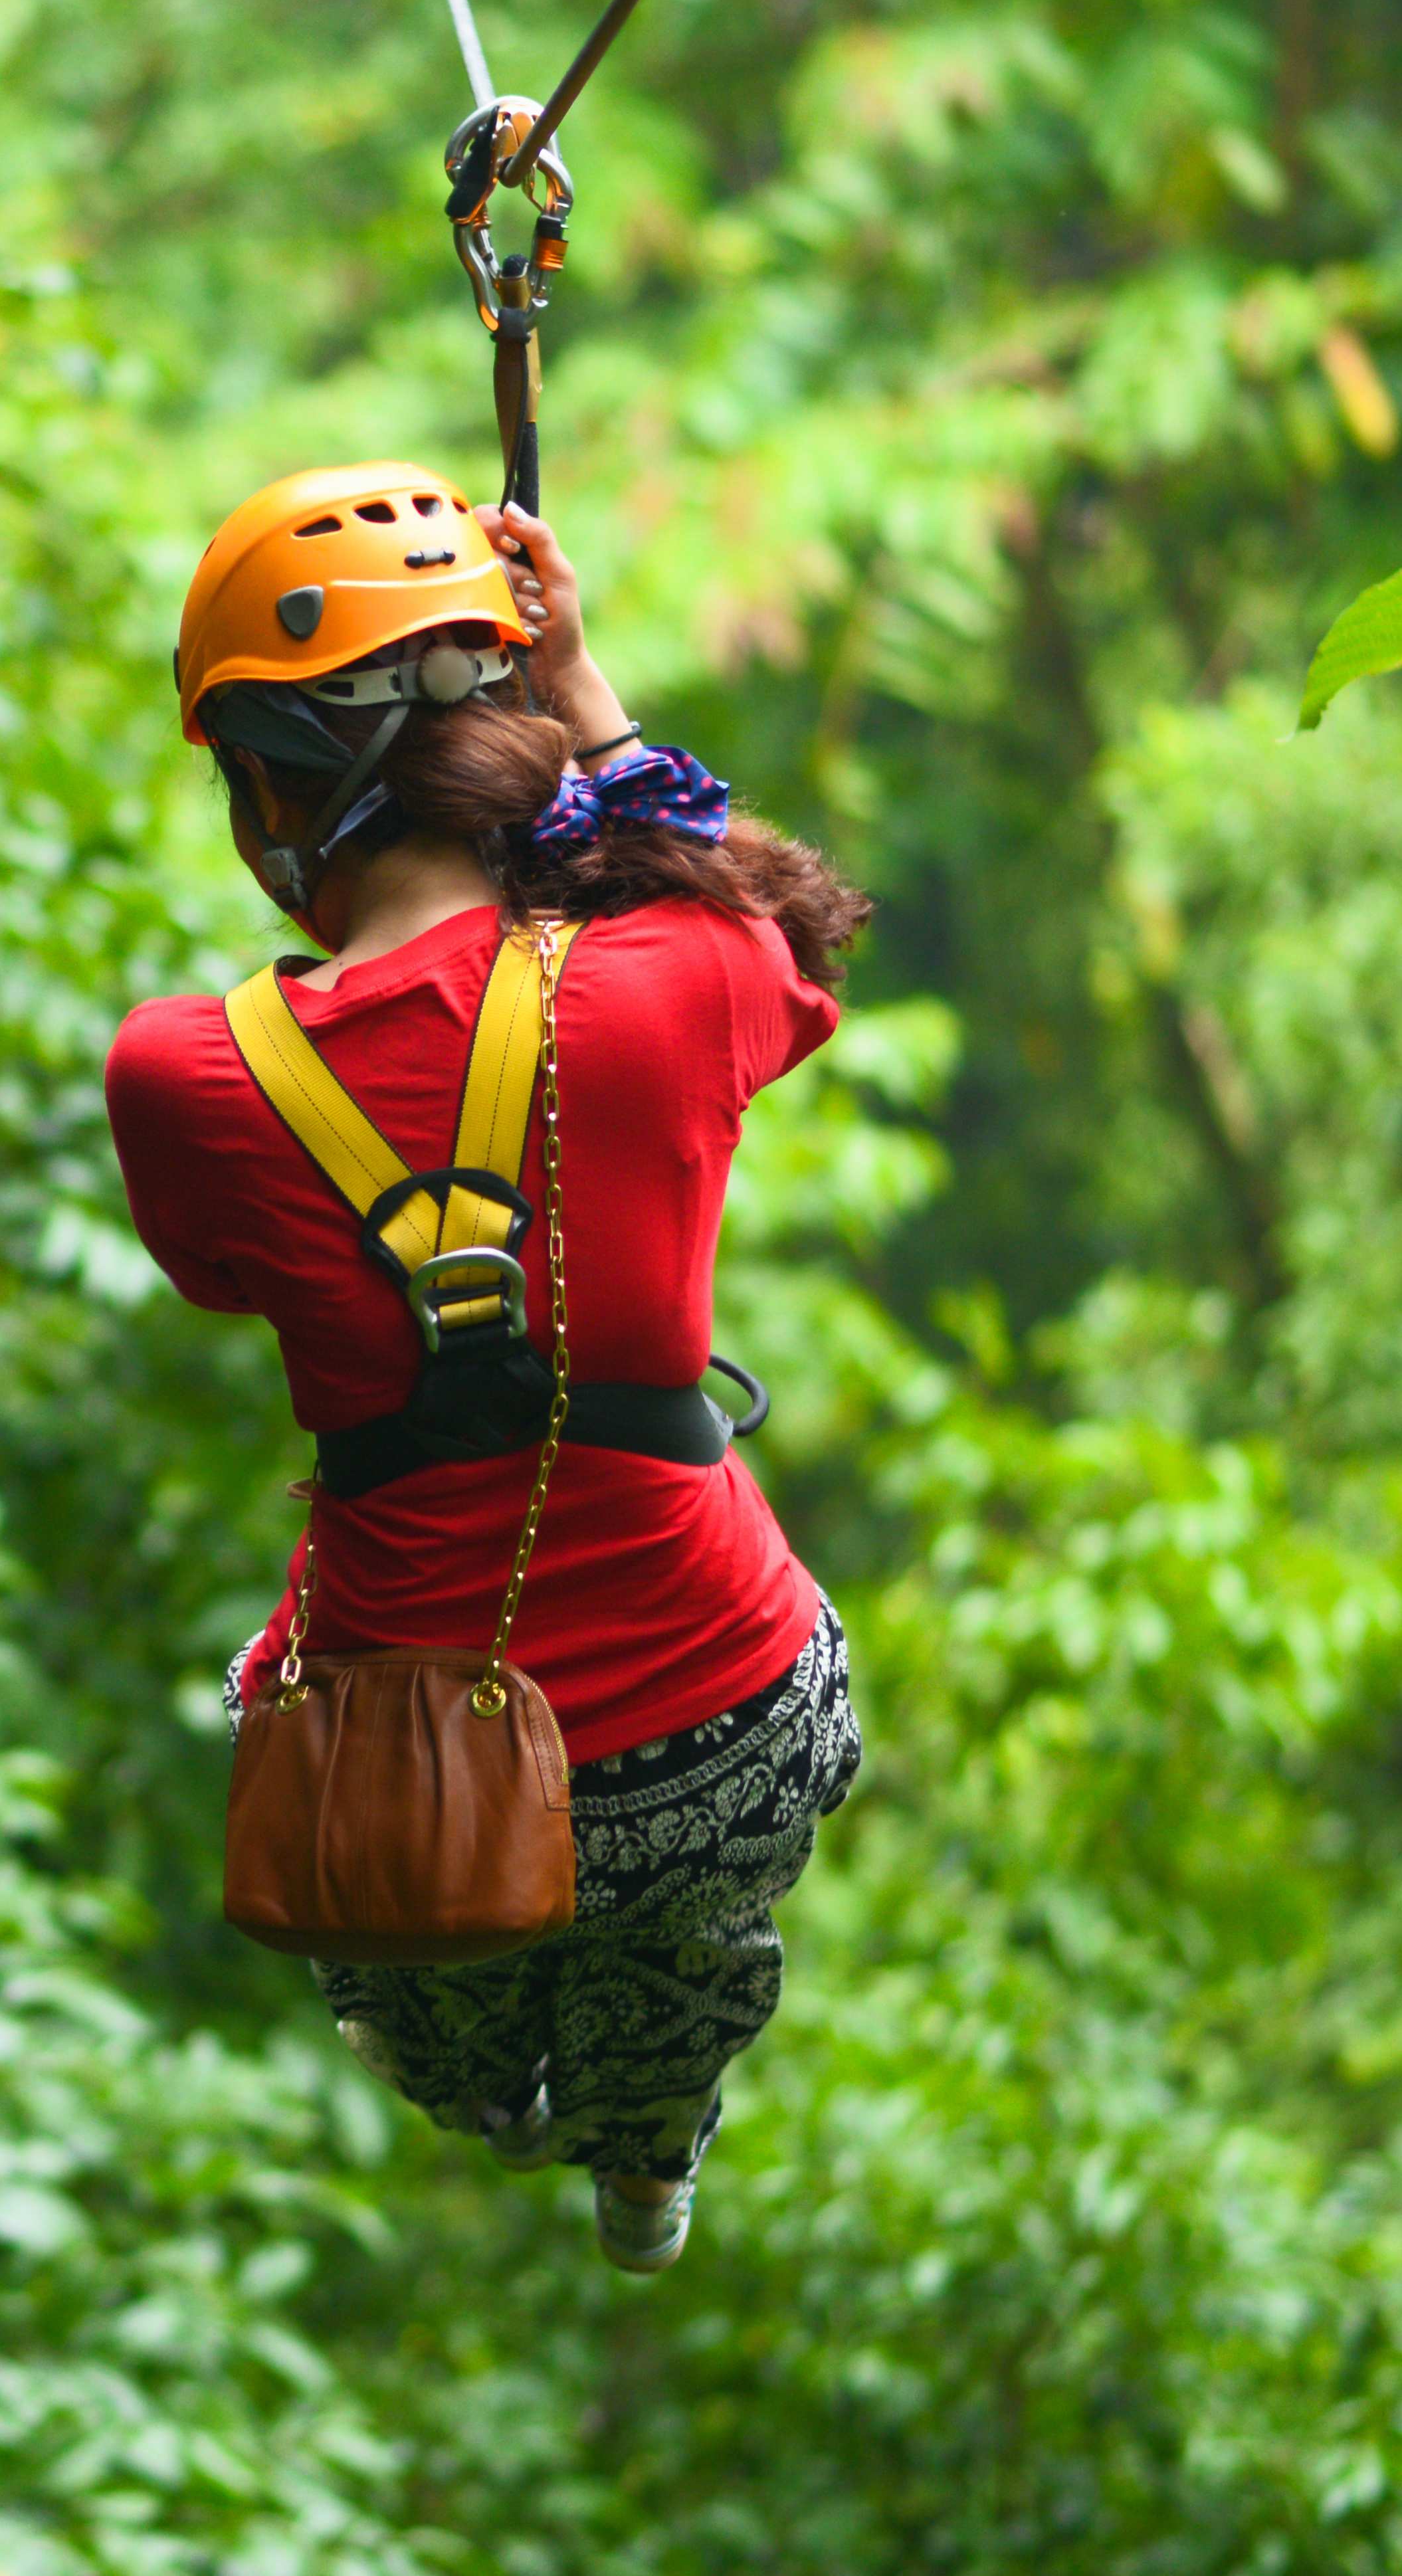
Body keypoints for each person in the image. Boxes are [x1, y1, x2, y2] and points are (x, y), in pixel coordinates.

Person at [102, 460, 870, 2273]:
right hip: (728, 1731)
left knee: (424, 1984)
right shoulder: (678, 976)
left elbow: (224, 1277)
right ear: (500, 747)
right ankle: (659, 2108)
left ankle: (511, 2087)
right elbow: (776, 930)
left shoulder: (185, 1076)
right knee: (691, 1922)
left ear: (274, 800)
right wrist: (582, 698)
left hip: (400, 1780)